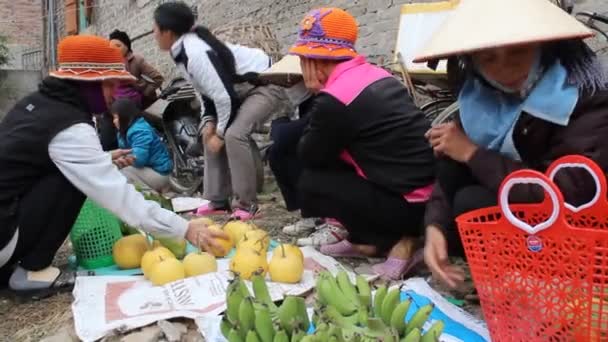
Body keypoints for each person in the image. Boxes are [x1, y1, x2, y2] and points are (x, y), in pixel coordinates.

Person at [0, 35, 226, 296]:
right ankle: (33, 271)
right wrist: (185, 229)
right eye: (110, 85)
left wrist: (104, 159)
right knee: (70, 181)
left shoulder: (36, 105)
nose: (114, 94)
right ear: (89, 83)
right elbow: (121, 198)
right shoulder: (69, 124)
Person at [414, 0, 608, 288]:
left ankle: (549, 279)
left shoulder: (585, 98)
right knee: (459, 192)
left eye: (519, 51)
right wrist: (434, 227)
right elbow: (453, 166)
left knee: (472, 202)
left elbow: (567, 194)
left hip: (585, 224)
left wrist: (472, 152)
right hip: (530, 212)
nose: (505, 68)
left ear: (546, 47)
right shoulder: (484, 100)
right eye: (489, 58)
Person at [289, 8, 436, 279]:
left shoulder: (335, 97)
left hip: (409, 206)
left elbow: (310, 154)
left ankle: (386, 240)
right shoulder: (376, 74)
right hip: (432, 198)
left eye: (302, 59)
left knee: (311, 181)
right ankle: (365, 238)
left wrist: (317, 94)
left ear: (312, 60)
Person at [153, 2, 292, 220]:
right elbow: (204, 92)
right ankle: (218, 200)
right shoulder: (180, 50)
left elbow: (224, 97)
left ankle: (247, 204)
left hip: (267, 84)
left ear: (167, 32)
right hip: (236, 91)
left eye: (155, 29)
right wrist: (209, 123)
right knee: (207, 134)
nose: (154, 34)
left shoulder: (195, 52)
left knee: (233, 134)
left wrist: (219, 132)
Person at [111, 98, 173, 193]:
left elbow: (139, 160)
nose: (114, 121)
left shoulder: (139, 131)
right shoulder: (125, 130)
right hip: (148, 169)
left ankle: (154, 200)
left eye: (116, 117)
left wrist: (119, 161)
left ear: (124, 116)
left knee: (124, 174)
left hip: (160, 173)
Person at [109, 29, 164, 108]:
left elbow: (158, 78)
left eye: (118, 46)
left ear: (126, 46)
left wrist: (145, 94)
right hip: (121, 107)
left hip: (140, 104)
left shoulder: (137, 60)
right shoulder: (111, 65)